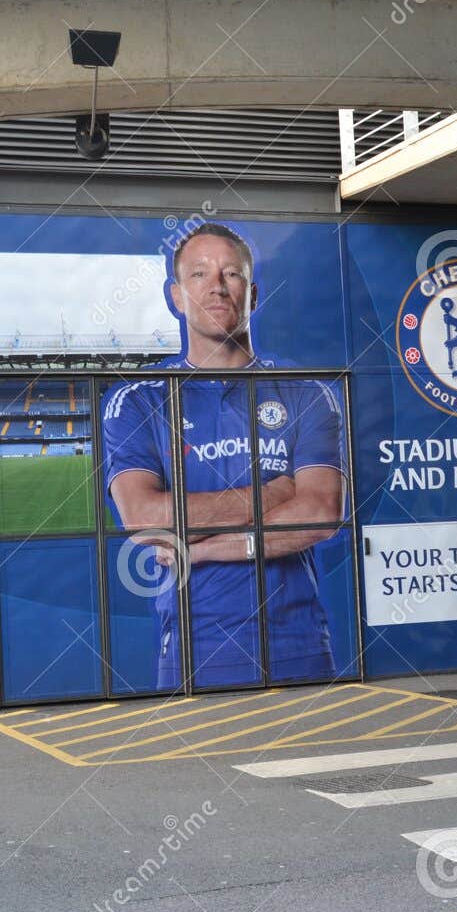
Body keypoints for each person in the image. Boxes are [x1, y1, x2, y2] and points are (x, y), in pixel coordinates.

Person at [102, 224, 345, 689]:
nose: (216, 285)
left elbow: (318, 514)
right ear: (176, 295)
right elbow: (146, 517)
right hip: (197, 644)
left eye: (231, 274)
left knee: (324, 764)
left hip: (299, 642)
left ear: (252, 293)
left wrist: (206, 548)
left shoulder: (307, 392)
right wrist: (274, 494)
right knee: (203, 764)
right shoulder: (137, 400)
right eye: (199, 274)